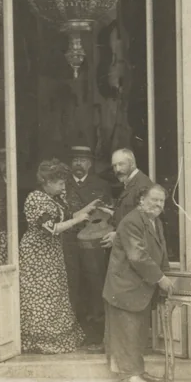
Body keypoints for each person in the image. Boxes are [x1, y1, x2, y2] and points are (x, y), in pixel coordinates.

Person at [19, 159, 98, 354]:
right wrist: (77, 220)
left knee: (55, 294)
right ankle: (39, 341)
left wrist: (88, 208)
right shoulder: (36, 199)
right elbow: (51, 228)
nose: (64, 186)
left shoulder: (55, 198)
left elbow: (69, 216)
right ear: (47, 182)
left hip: (51, 253)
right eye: (60, 183)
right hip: (37, 256)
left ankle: (58, 337)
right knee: (40, 296)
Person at [103, 184, 173, 382]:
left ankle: (138, 371)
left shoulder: (154, 221)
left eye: (161, 201)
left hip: (139, 288)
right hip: (124, 288)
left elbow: (161, 251)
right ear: (142, 200)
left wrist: (165, 273)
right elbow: (138, 256)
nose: (159, 205)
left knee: (137, 333)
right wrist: (160, 279)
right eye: (154, 200)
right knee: (126, 332)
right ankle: (127, 374)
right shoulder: (132, 221)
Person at [65, 145, 112, 345]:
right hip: (68, 243)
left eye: (83, 161)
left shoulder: (100, 185)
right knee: (72, 284)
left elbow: (109, 213)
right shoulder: (62, 184)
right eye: (75, 160)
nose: (78, 164)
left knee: (95, 284)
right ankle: (73, 331)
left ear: (90, 164)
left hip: (93, 245)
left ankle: (96, 332)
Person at [104, 148, 153, 248]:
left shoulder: (142, 185)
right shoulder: (129, 183)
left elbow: (144, 223)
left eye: (121, 164)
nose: (117, 169)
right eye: (114, 166)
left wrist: (118, 236)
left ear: (132, 164)